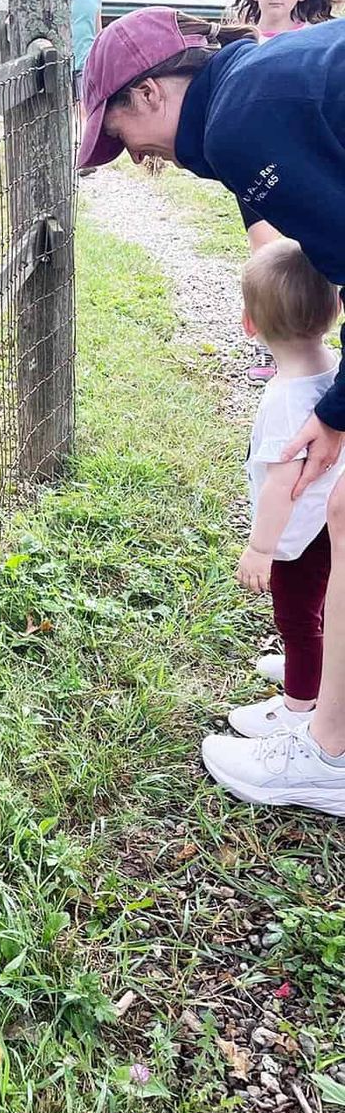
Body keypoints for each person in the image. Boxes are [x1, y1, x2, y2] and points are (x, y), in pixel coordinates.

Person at [78, 6, 345, 815]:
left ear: (150, 92)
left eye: (120, 132)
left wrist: (336, 412)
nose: (134, 154)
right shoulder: (256, 84)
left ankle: (327, 752)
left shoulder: (239, 122)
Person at [229, 241, 343, 742]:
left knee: (296, 619)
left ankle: (300, 705)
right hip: (327, 519)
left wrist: (261, 549)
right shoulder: (334, 371)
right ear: (336, 308)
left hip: (298, 535)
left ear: (249, 323)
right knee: (321, 605)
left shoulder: (284, 401)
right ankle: (314, 664)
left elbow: (281, 487)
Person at [232, 0, 339, 382]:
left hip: (299, 163)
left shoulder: (312, 42)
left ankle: (309, 343)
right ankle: (270, 343)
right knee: (266, 254)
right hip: (252, 165)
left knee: (307, 255)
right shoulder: (240, 42)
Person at [69, 0, 101, 175]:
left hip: (86, 59)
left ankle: (87, 157)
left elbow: (98, 31)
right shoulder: (61, 2)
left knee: (85, 108)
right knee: (69, 110)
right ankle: (72, 155)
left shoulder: (94, 0)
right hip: (65, 61)